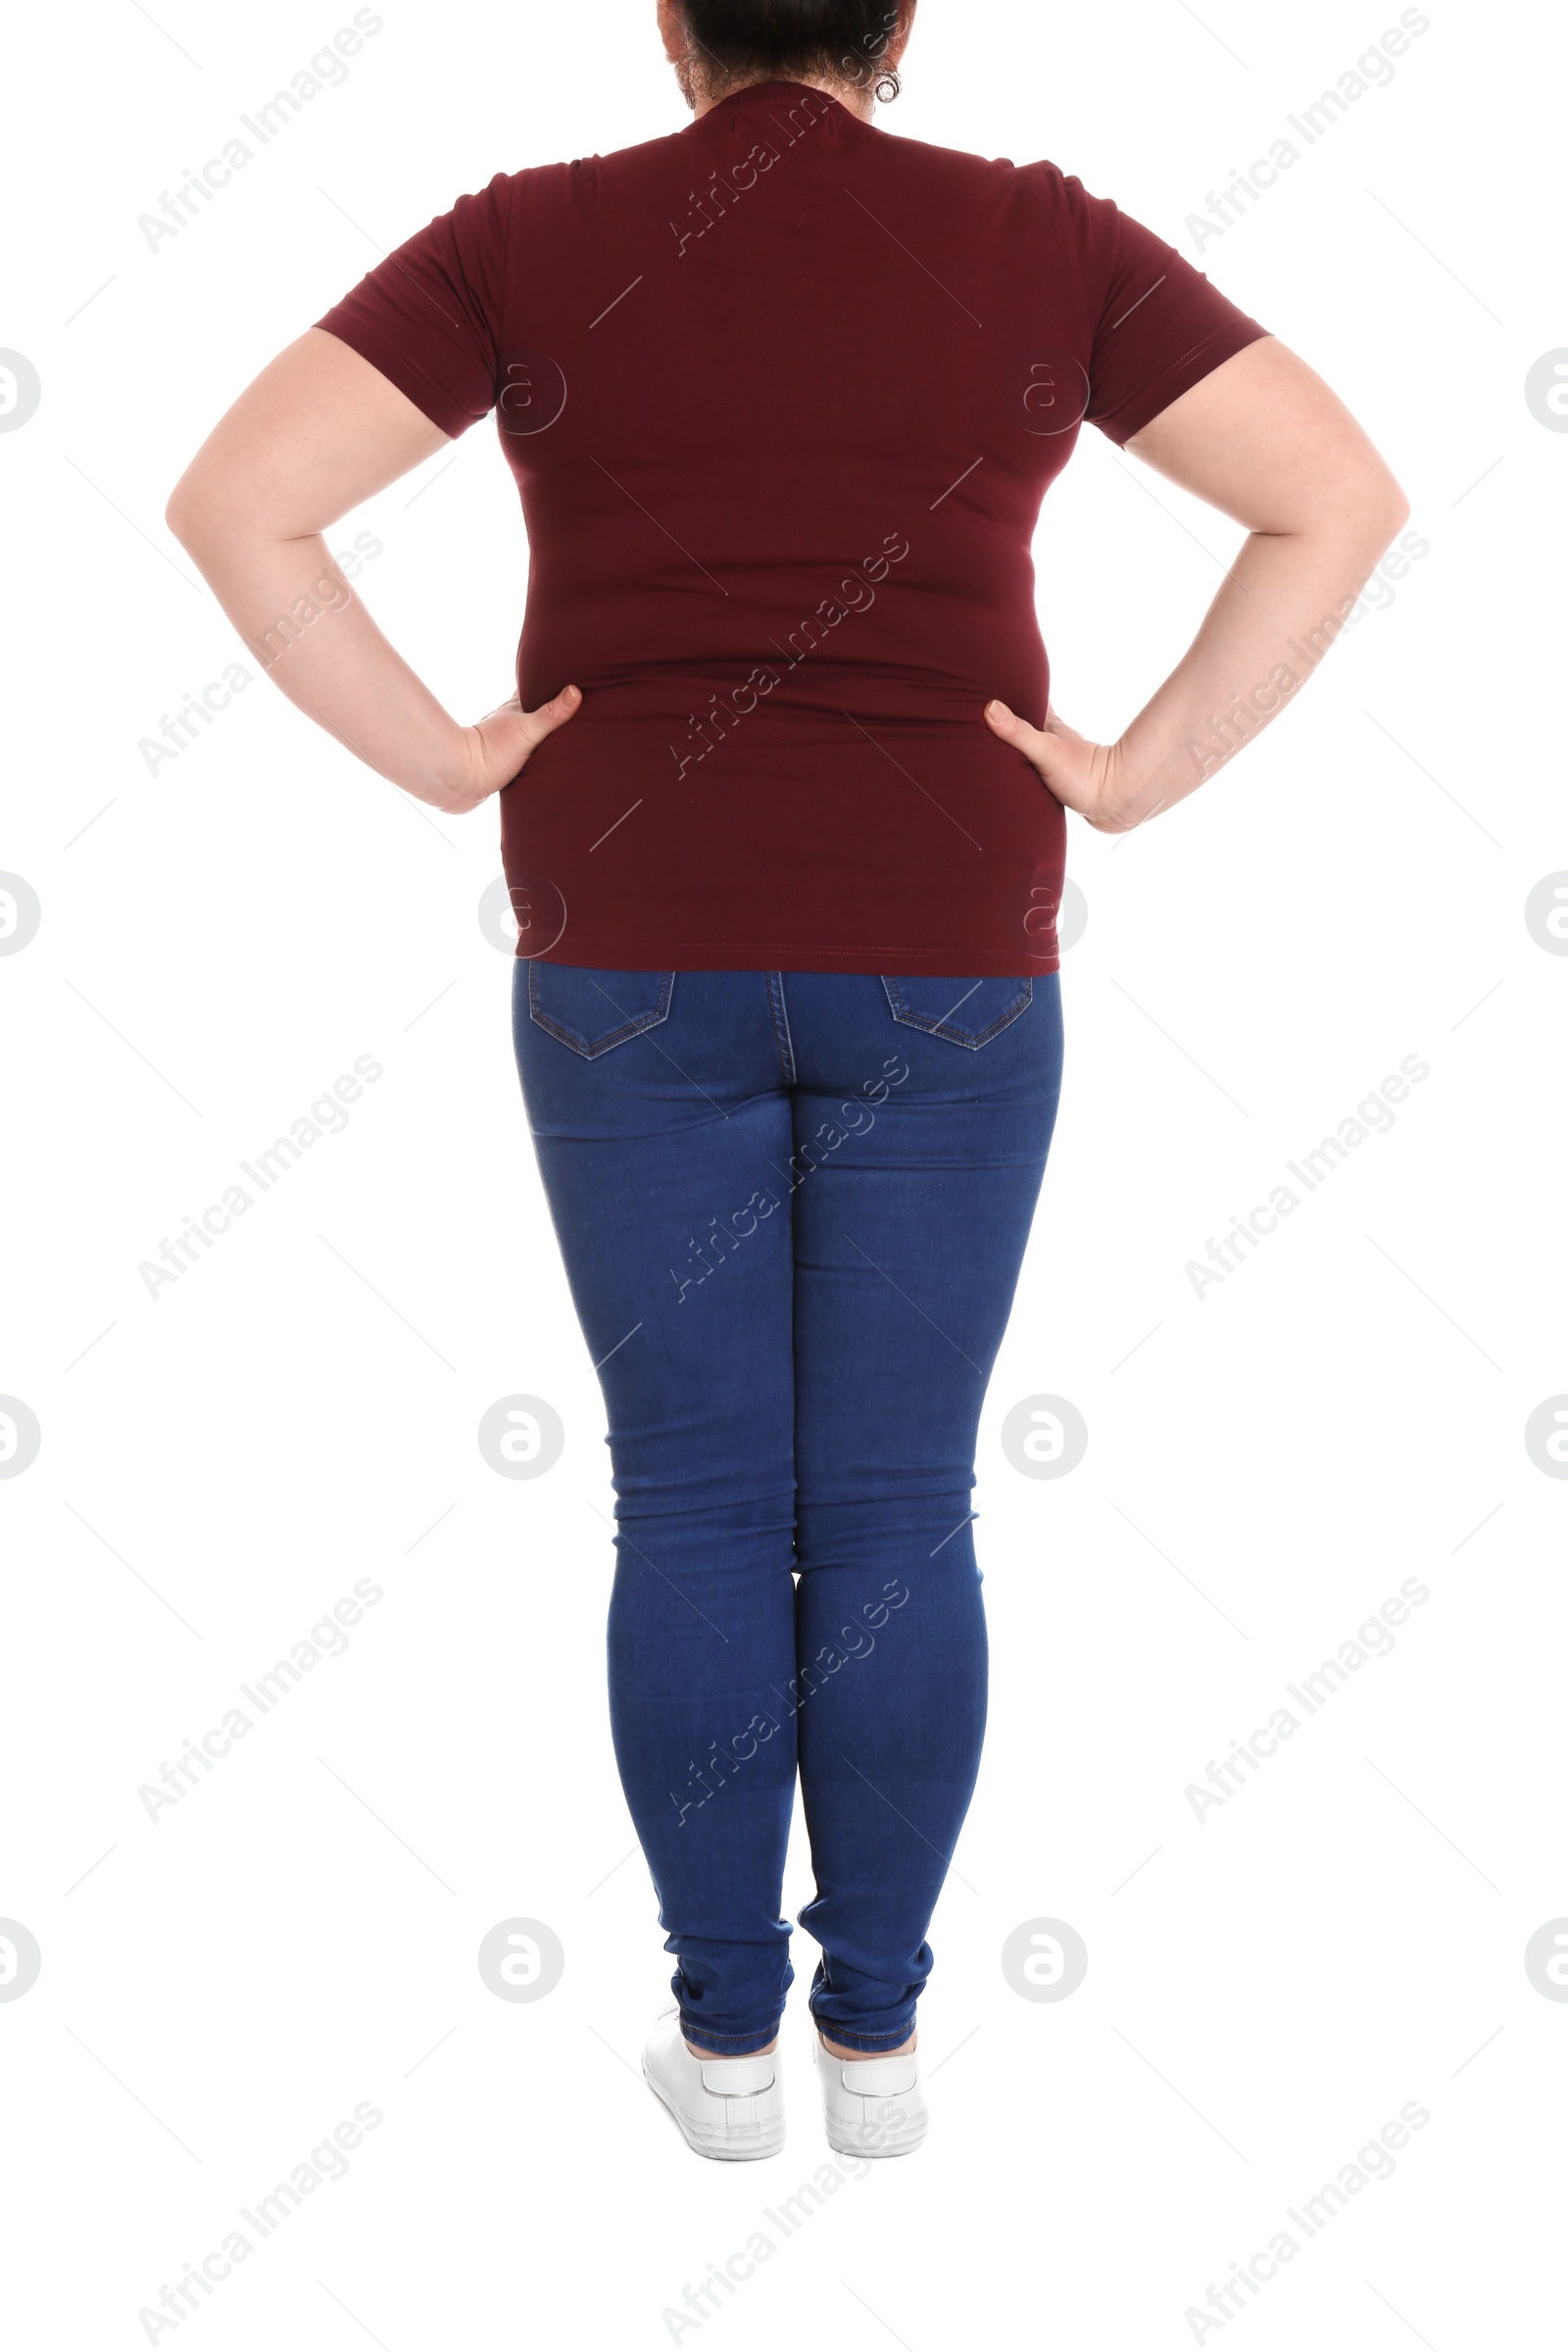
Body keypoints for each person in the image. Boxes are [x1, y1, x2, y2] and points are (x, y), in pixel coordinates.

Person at [167, 0, 1409, 2163]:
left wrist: (450, 758)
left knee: (704, 1506)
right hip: (945, 961)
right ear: (901, 19)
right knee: (899, 1516)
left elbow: (240, 503)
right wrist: (1125, 781)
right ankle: (881, 2047)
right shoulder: (1039, 243)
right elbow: (1333, 496)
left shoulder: (529, 239)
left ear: (668, 18)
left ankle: (724, 2050)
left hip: (626, 958)